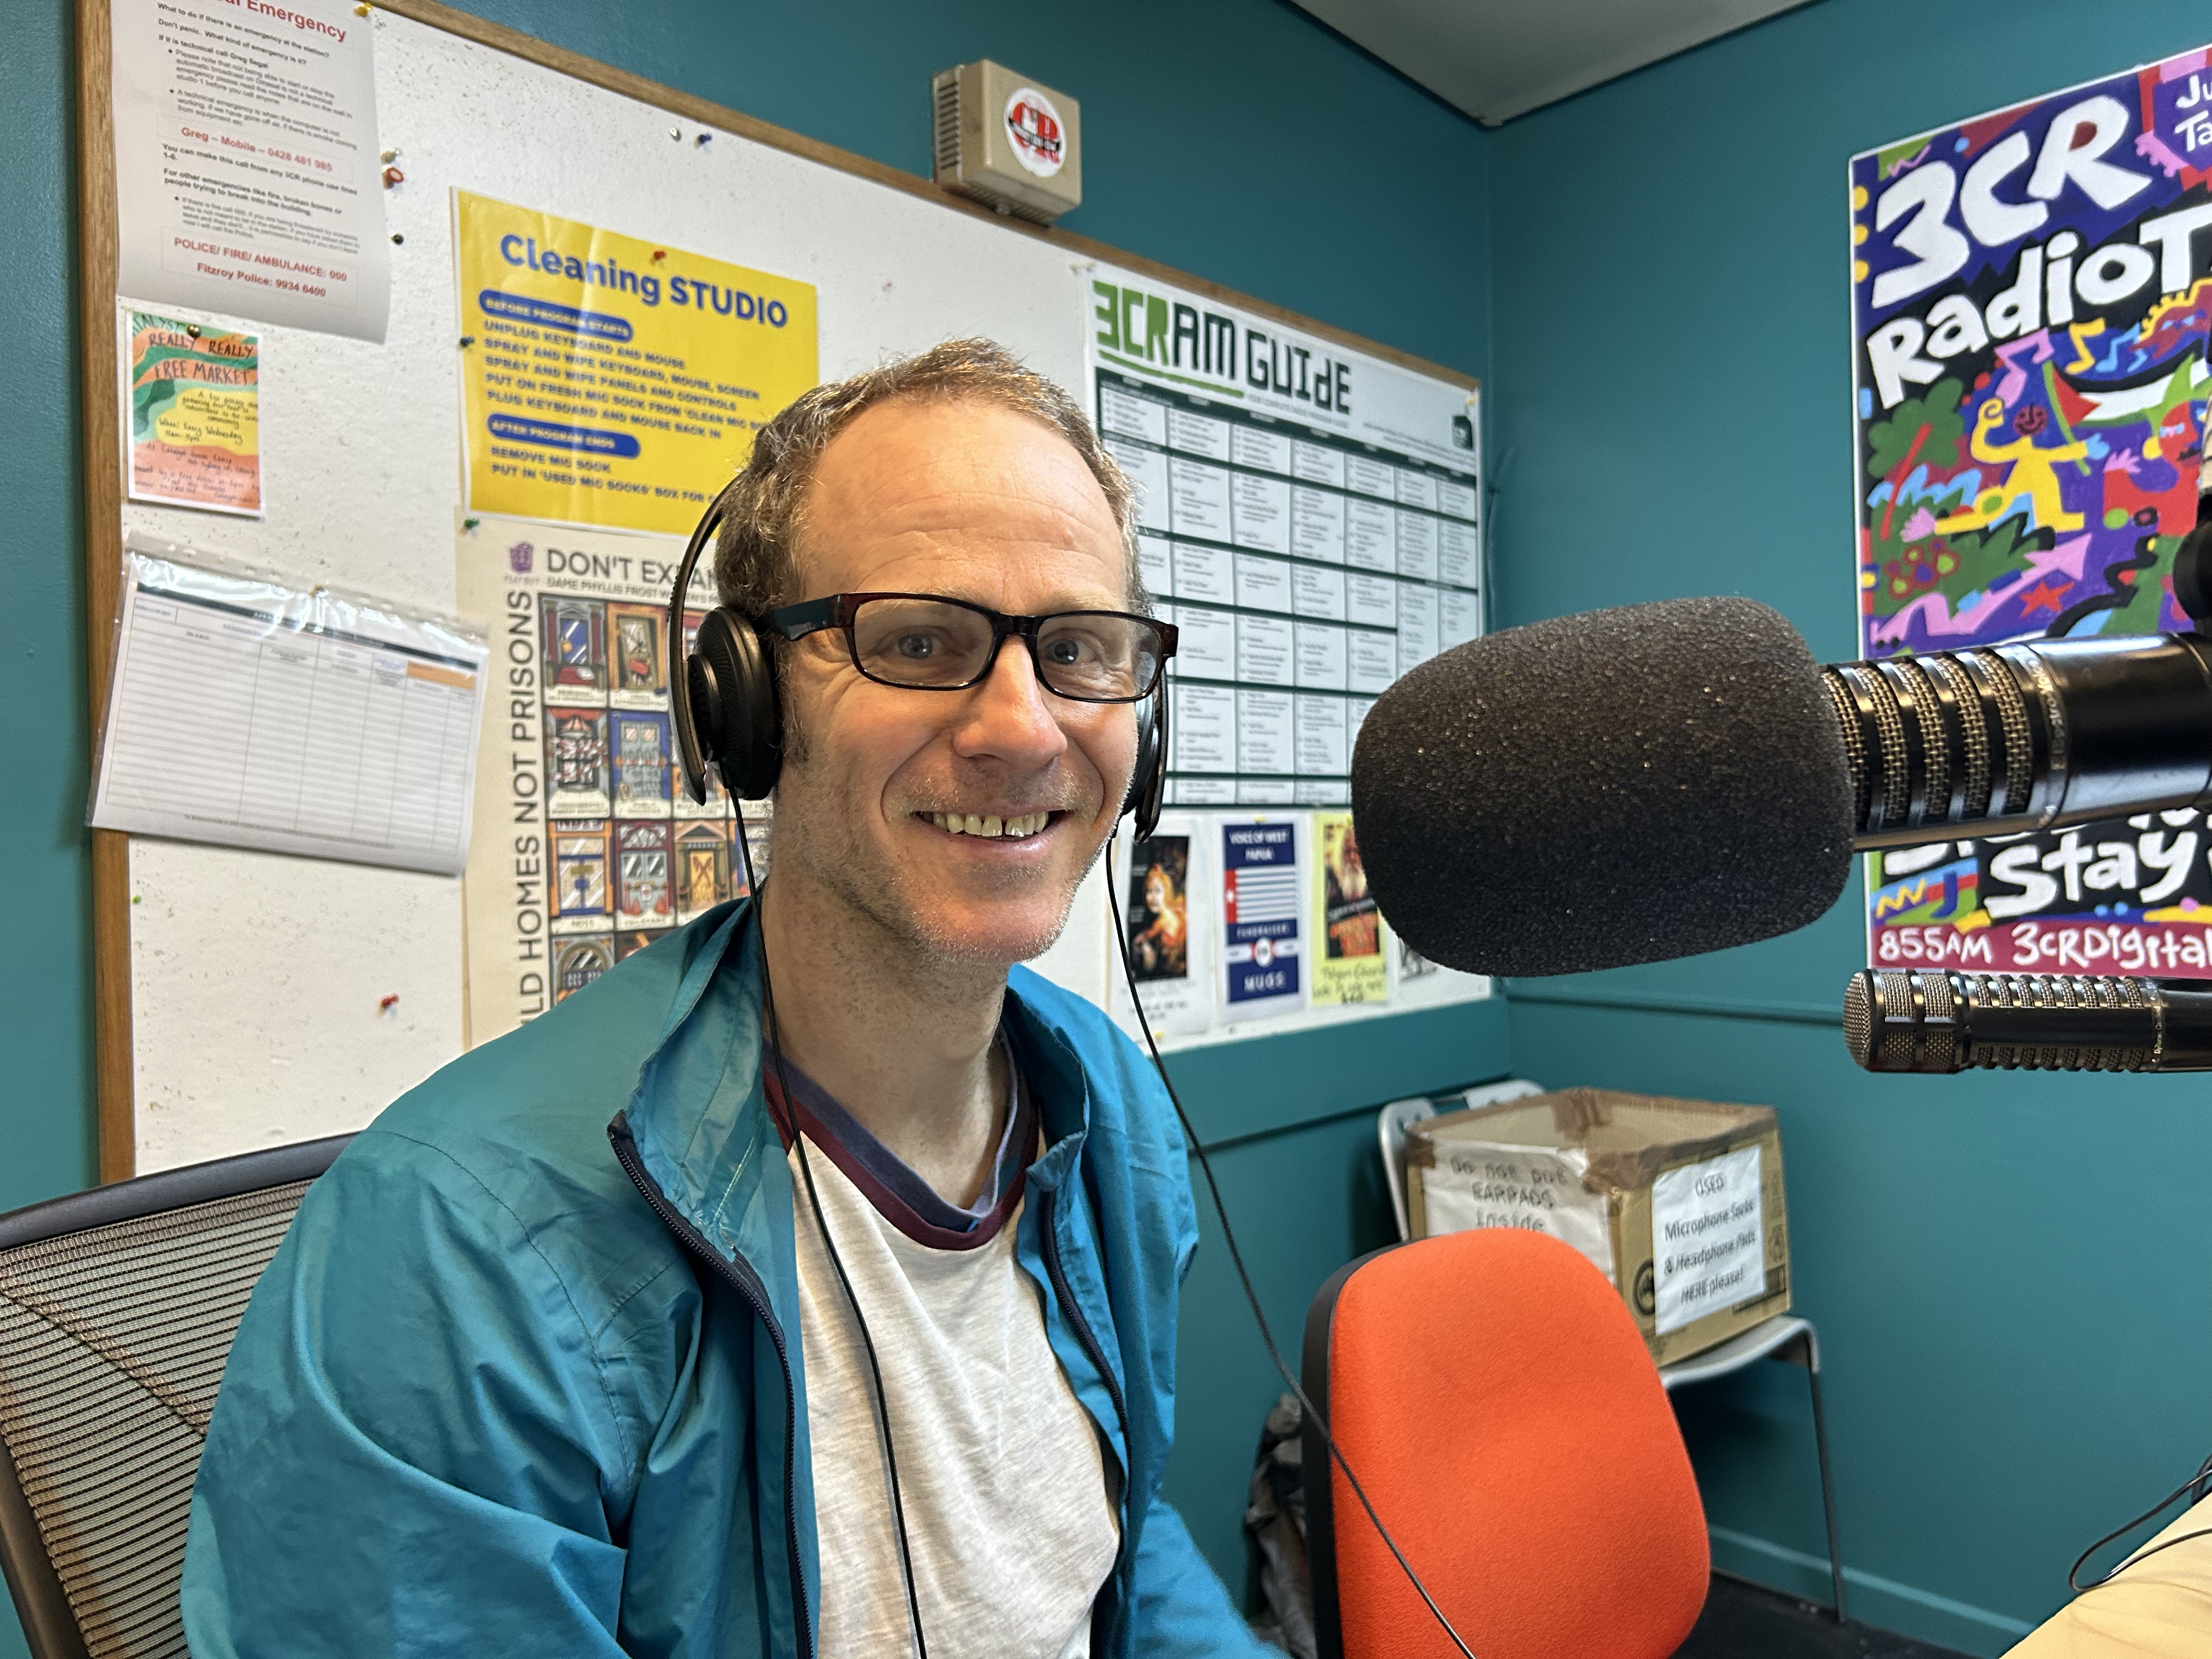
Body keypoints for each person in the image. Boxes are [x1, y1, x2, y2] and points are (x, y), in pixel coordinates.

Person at [182, 340, 1278, 1659]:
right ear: (744, 700)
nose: (1024, 728)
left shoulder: (1112, 1109)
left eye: (1082, 650)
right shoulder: (456, 1251)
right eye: (919, 641)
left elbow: (1113, 1534)